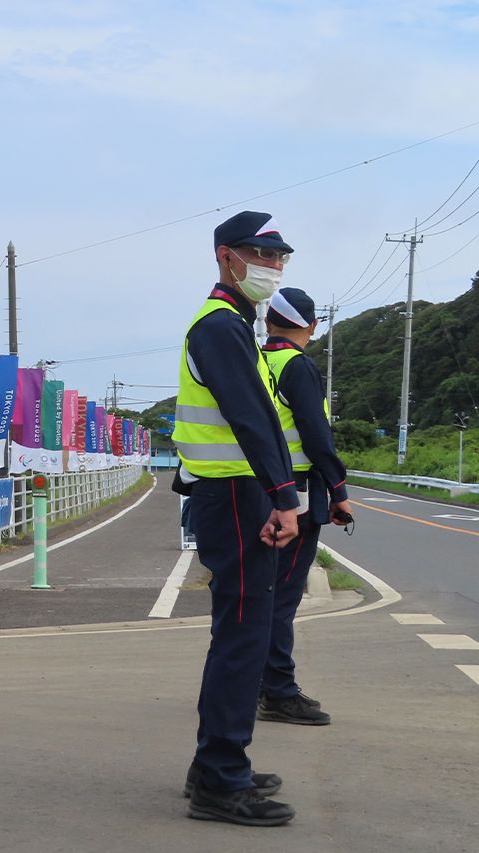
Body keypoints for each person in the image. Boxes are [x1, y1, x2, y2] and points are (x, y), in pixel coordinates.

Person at [173, 210, 302, 827]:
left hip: (234, 494)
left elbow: (255, 419)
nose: (272, 266)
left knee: (239, 632)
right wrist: (285, 497)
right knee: (245, 634)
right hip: (234, 496)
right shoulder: (221, 327)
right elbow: (251, 417)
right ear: (226, 256)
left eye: (280, 257)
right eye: (261, 254)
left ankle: (215, 766)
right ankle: (222, 778)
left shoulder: (234, 325)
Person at [259, 287, 355, 725]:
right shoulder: (297, 366)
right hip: (293, 495)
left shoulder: (256, 362)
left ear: (268, 322)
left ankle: (251, 685)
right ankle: (278, 691)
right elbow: (316, 435)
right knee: (281, 597)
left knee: (258, 593)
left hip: (250, 490)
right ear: (312, 327)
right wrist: (338, 491)